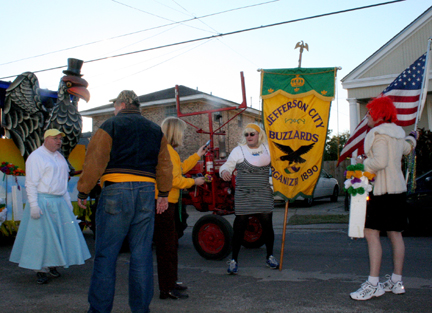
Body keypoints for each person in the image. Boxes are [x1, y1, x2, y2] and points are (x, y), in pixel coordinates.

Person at [76, 90, 173, 313]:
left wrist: (83, 191)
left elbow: (95, 160)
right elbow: (165, 164)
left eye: (114, 106)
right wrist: (164, 193)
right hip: (147, 192)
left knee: (106, 255)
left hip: (116, 191)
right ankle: (140, 310)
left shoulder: (110, 126)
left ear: (121, 104)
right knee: (142, 255)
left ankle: (99, 310)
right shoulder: (155, 129)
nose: (113, 110)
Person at [350, 96, 417, 301]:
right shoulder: (398, 135)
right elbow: (407, 148)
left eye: (370, 112)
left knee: (372, 234)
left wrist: (361, 162)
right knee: (395, 235)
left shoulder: (378, 134)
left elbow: (379, 162)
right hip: (398, 192)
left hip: (382, 192)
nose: (366, 116)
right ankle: (397, 282)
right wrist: (413, 137)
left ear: (379, 115)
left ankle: (373, 284)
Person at [10, 129, 91, 284]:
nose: (59, 141)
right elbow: (31, 183)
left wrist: (67, 204)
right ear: (46, 139)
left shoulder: (60, 158)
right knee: (41, 238)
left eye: (60, 138)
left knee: (58, 235)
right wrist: (34, 205)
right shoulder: (36, 157)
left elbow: (63, 184)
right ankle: (40, 269)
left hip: (59, 202)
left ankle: (52, 264)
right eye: (55, 138)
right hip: (42, 202)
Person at [154, 117, 208, 300]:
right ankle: (166, 288)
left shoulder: (170, 152)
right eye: (182, 131)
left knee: (172, 245)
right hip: (164, 204)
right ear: (175, 132)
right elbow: (174, 180)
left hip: (170, 203)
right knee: (166, 247)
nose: (183, 134)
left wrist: (197, 155)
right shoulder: (167, 152)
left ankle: (172, 281)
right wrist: (195, 181)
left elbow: (180, 169)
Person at [220, 123, 279, 274]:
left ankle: (270, 256)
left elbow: (280, 165)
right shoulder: (238, 150)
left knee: (267, 228)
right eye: (246, 134)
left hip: (263, 194)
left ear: (259, 135)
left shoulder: (268, 149)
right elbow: (226, 166)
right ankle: (234, 260)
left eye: (252, 134)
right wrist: (225, 171)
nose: (249, 137)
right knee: (239, 228)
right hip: (244, 195)